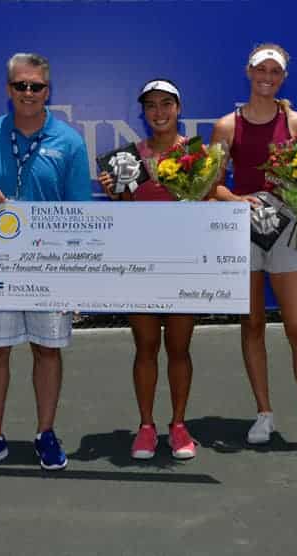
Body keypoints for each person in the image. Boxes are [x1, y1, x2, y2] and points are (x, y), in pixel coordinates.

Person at [0, 53, 92, 474]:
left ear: (48, 91)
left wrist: (76, 269)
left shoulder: (68, 140)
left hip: (51, 256)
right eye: (21, 86)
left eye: (36, 86)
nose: (29, 93)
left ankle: (45, 433)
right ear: (8, 89)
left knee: (47, 350)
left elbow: (79, 209)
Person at [210, 43, 297, 464]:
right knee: (252, 324)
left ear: (282, 77)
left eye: (274, 72)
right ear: (248, 71)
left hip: (288, 231)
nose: (267, 76)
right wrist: (238, 201)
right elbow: (212, 185)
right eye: (260, 69)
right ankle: (264, 413)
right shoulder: (226, 126)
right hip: (243, 232)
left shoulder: (296, 121)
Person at [98, 78, 197, 460]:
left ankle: (179, 424)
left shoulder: (196, 153)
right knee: (146, 346)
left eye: (166, 104)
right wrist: (114, 191)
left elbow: (207, 198)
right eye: (151, 105)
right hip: (139, 264)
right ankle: (145, 426)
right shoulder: (128, 157)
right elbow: (124, 207)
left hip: (185, 264)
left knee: (179, 348)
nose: (159, 112)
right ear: (143, 112)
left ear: (178, 108)